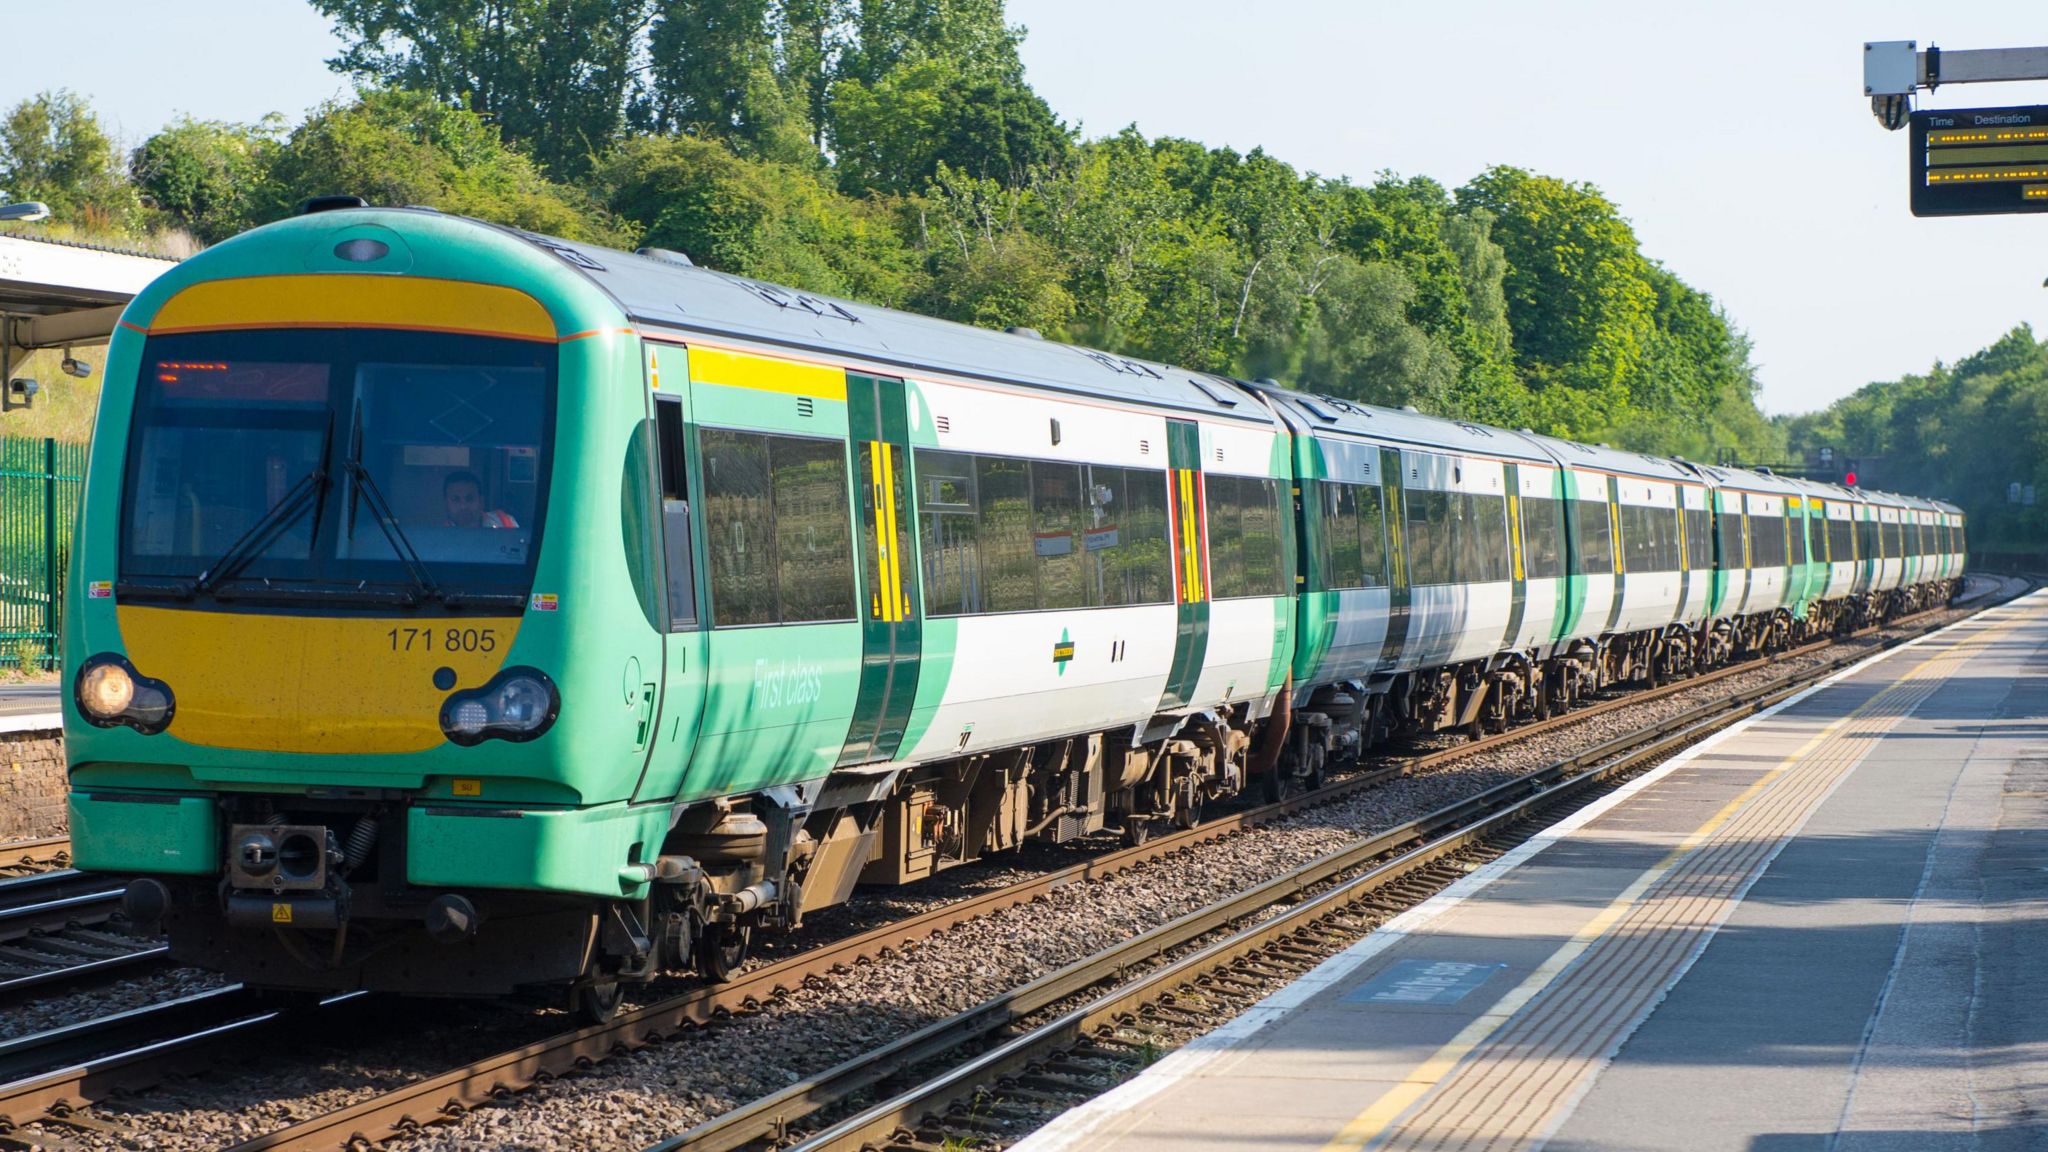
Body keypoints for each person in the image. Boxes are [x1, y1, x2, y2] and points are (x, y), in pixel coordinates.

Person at [443, 470, 518, 529]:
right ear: (446, 504)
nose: (463, 506)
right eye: (455, 499)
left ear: (481, 502)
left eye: (469, 499)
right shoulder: (440, 536)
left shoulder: (505, 522)